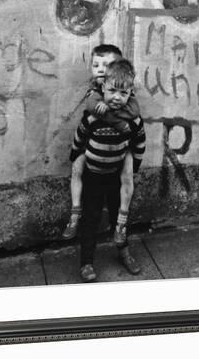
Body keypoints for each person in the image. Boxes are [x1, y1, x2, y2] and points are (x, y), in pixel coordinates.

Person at [69, 59, 146, 282]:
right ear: (103, 87)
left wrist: (135, 166)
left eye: (123, 93)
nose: (116, 97)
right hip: (93, 175)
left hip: (116, 177)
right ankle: (86, 262)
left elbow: (139, 143)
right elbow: (80, 136)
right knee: (90, 219)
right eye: (112, 90)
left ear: (130, 92)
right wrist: (75, 157)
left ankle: (124, 252)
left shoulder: (134, 120)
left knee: (119, 218)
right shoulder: (93, 116)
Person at [62, 45, 141, 247]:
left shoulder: (122, 91)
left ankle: (122, 234)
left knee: (127, 174)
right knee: (78, 169)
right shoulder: (94, 91)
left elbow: (134, 111)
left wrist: (120, 121)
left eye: (105, 66)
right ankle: (75, 213)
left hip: (119, 152)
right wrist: (117, 121)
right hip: (94, 150)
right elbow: (90, 109)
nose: (99, 69)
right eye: (95, 65)